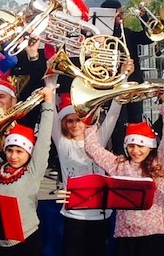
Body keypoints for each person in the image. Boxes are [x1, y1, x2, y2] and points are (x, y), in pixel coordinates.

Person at [85, 86, 164, 256]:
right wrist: (90, 117)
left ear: (150, 146)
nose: (136, 151)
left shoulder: (159, 165)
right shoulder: (119, 165)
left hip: (152, 235)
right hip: (125, 236)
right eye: (131, 146)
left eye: (141, 146)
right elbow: (91, 148)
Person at [0, 86, 55, 256]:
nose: (13, 156)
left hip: (26, 239)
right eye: (9, 150)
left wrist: (48, 103)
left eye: (19, 152)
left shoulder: (33, 171)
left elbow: (45, 139)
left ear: (29, 153)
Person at [52, 92, 124, 256]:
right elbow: (50, 113)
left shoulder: (97, 139)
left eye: (79, 119)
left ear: (86, 121)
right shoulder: (62, 142)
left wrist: (123, 80)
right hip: (73, 215)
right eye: (70, 120)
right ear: (63, 123)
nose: (75, 125)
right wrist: (51, 80)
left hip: (99, 215)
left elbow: (113, 115)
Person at [100, 0, 154, 153]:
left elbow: (148, 38)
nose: (123, 17)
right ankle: (119, 153)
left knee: (136, 120)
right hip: (114, 87)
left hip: (133, 84)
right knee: (117, 122)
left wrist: (145, 19)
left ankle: (137, 154)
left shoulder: (127, 33)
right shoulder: (101, 38)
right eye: (119, 14)